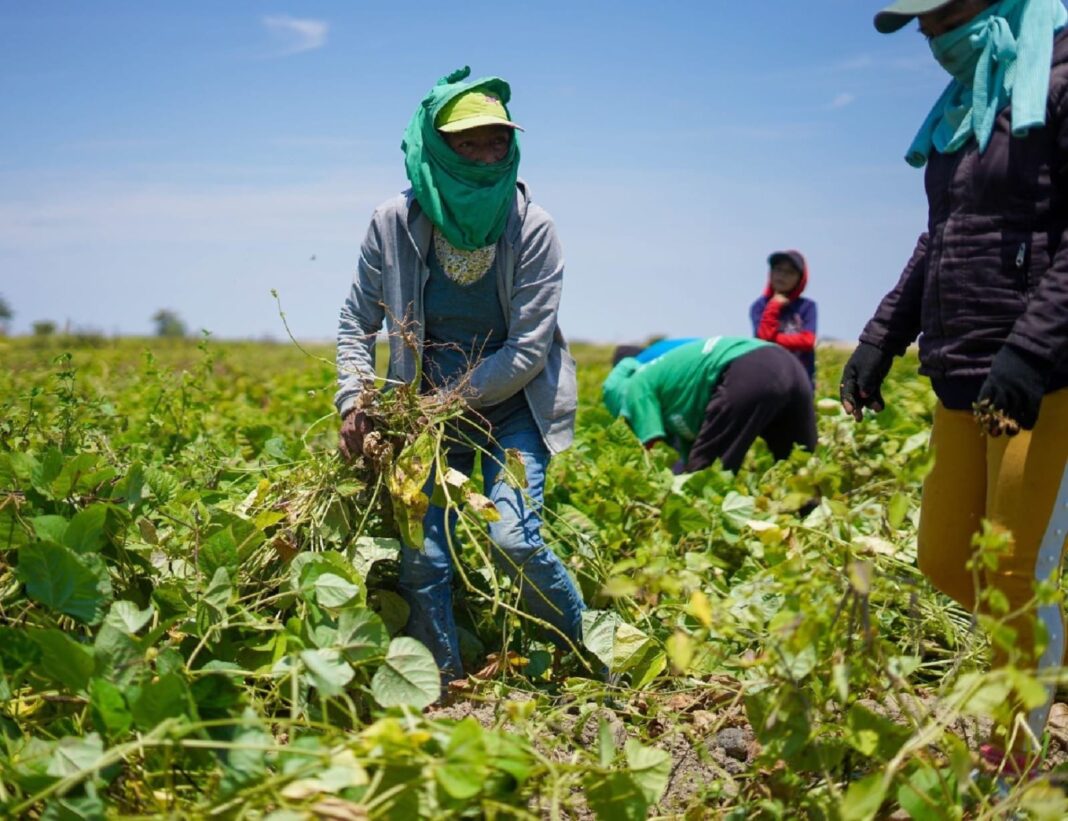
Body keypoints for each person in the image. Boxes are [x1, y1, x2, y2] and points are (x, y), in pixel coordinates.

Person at [840, 0, 1068, 769]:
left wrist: (1032, 350)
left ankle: (1016, 776)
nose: (933, 33)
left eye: (943, 14)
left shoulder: (1059, 71)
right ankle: (1038, 661)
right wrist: (881, 336)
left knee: (1014, 578)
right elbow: (944, 234)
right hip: (963, 372)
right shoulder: (972, 99)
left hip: (1045, 378)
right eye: (922, 24)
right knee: (944, 559)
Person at [334, 67, 585, 685]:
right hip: (420, 412)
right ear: (434, 147)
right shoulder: (391, 222)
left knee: (516, 541)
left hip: (513, 407)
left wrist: (443, 402)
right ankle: (441, 681)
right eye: (465, 144)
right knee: (424, 554)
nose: (483, 156)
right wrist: (354, 399)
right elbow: (354, 322)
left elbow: (528, 351)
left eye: (495, 142)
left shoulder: (534, 228)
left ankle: (584, 656)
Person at [603, 337, 817, 473]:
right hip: (790, 366)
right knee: (803, 476)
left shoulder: (634, 387)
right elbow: (692, 448)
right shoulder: (670, 389)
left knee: (705, 480)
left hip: (748, 369)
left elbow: (651, 449)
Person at [749, 250, 818, 386]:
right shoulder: (759, 307)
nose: (782, 276)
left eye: (790, 272)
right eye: (778, 270)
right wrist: (773, 306)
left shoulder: (807, 307)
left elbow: (808, 341)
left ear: (800, 279)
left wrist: (772, 340)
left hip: (800, 379)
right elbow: (763, 337)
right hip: (767, 377)